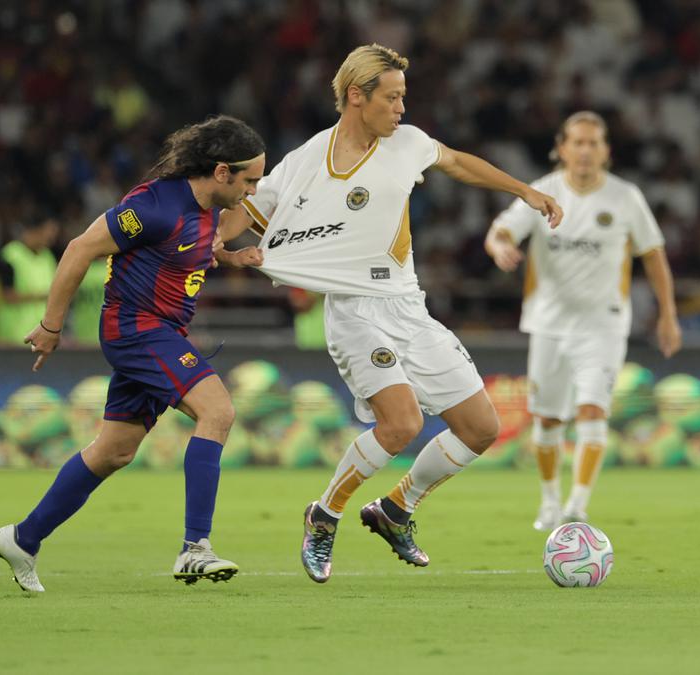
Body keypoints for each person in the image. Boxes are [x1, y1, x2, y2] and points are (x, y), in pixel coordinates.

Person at [214, 44, 562, 583]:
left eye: (404, 97)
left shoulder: (408, 144)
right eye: (393, 97)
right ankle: (323, 515)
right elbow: (251, 211)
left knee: (481, 428)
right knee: (402, 423)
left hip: (408, 306)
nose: (402, 108)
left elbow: (458, 162)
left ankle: (397, 508)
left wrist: (524, 191)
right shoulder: (306, 160)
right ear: (357, 96)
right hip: (353, 311)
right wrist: (214, 244)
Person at [0, 115, 266, 591]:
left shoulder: (205, 212)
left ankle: (23, 538)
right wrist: (51, 326)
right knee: (217, 410)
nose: (254, 191)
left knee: (113, 452)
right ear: (222, 172)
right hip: (136, 330)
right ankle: (195, 548)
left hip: (161, 333)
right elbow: (79, 249)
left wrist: (230, 257)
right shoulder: (154, 205)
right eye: (250, 180)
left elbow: (185, 250)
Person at [484, 111, 682, 531]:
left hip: (604, 324)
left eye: (594, 143)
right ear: (562, 148)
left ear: (606, 151)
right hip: (548, 323)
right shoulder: (543, 192)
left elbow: (654, 254)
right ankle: (550, 501)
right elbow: (501, 231)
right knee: (549, 418)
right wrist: (499, 247)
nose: (586, 150)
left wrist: (668, 314)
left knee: (593, 410)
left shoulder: (625, 197)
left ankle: (578, 506)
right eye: (578, 142)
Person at [0, 215, 58, 344]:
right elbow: (7, 295)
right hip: (13, 335)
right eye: (48, 232)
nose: (51, 238)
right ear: (35, 230)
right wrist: (43, 296)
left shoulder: (48, 257)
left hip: (41, 335)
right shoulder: (11, 255)